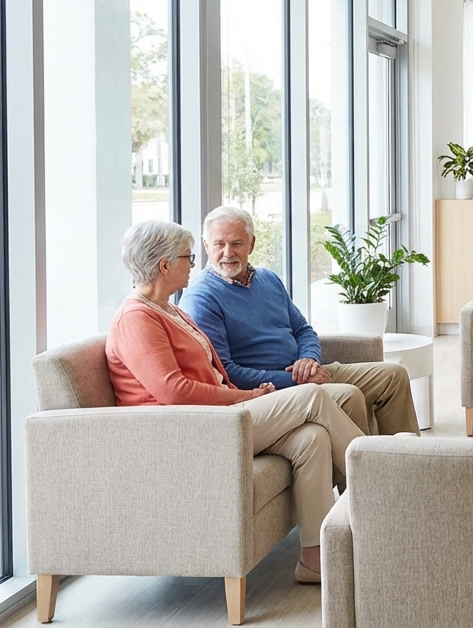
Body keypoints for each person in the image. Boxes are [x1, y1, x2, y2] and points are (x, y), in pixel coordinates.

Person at [106, 220, 364, 584]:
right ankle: (381, 483)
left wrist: (245, 397)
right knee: (312, 396)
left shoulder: (169, 310)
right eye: (187, 257)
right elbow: (175, 391)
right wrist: (247, 396)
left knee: (312, 440)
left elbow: (212, 372)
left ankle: (313, 559)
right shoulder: (136, 317)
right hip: (190, 431)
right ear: (164, 265)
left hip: (219, 418)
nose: (194, 264)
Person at [180, 206, 418, 437]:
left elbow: (303, 330)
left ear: (251, 244)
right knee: (349, 394)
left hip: (307, 373)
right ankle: (365, 474)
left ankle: (402, 467)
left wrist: (309, 358)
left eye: (237, 243)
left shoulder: (268, 278)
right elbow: (226, 372)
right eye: (219, 244)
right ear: (206, 246)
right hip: (274, 389)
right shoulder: (202, 298)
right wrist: (296, 379)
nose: (228, 253)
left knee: (394, 375)